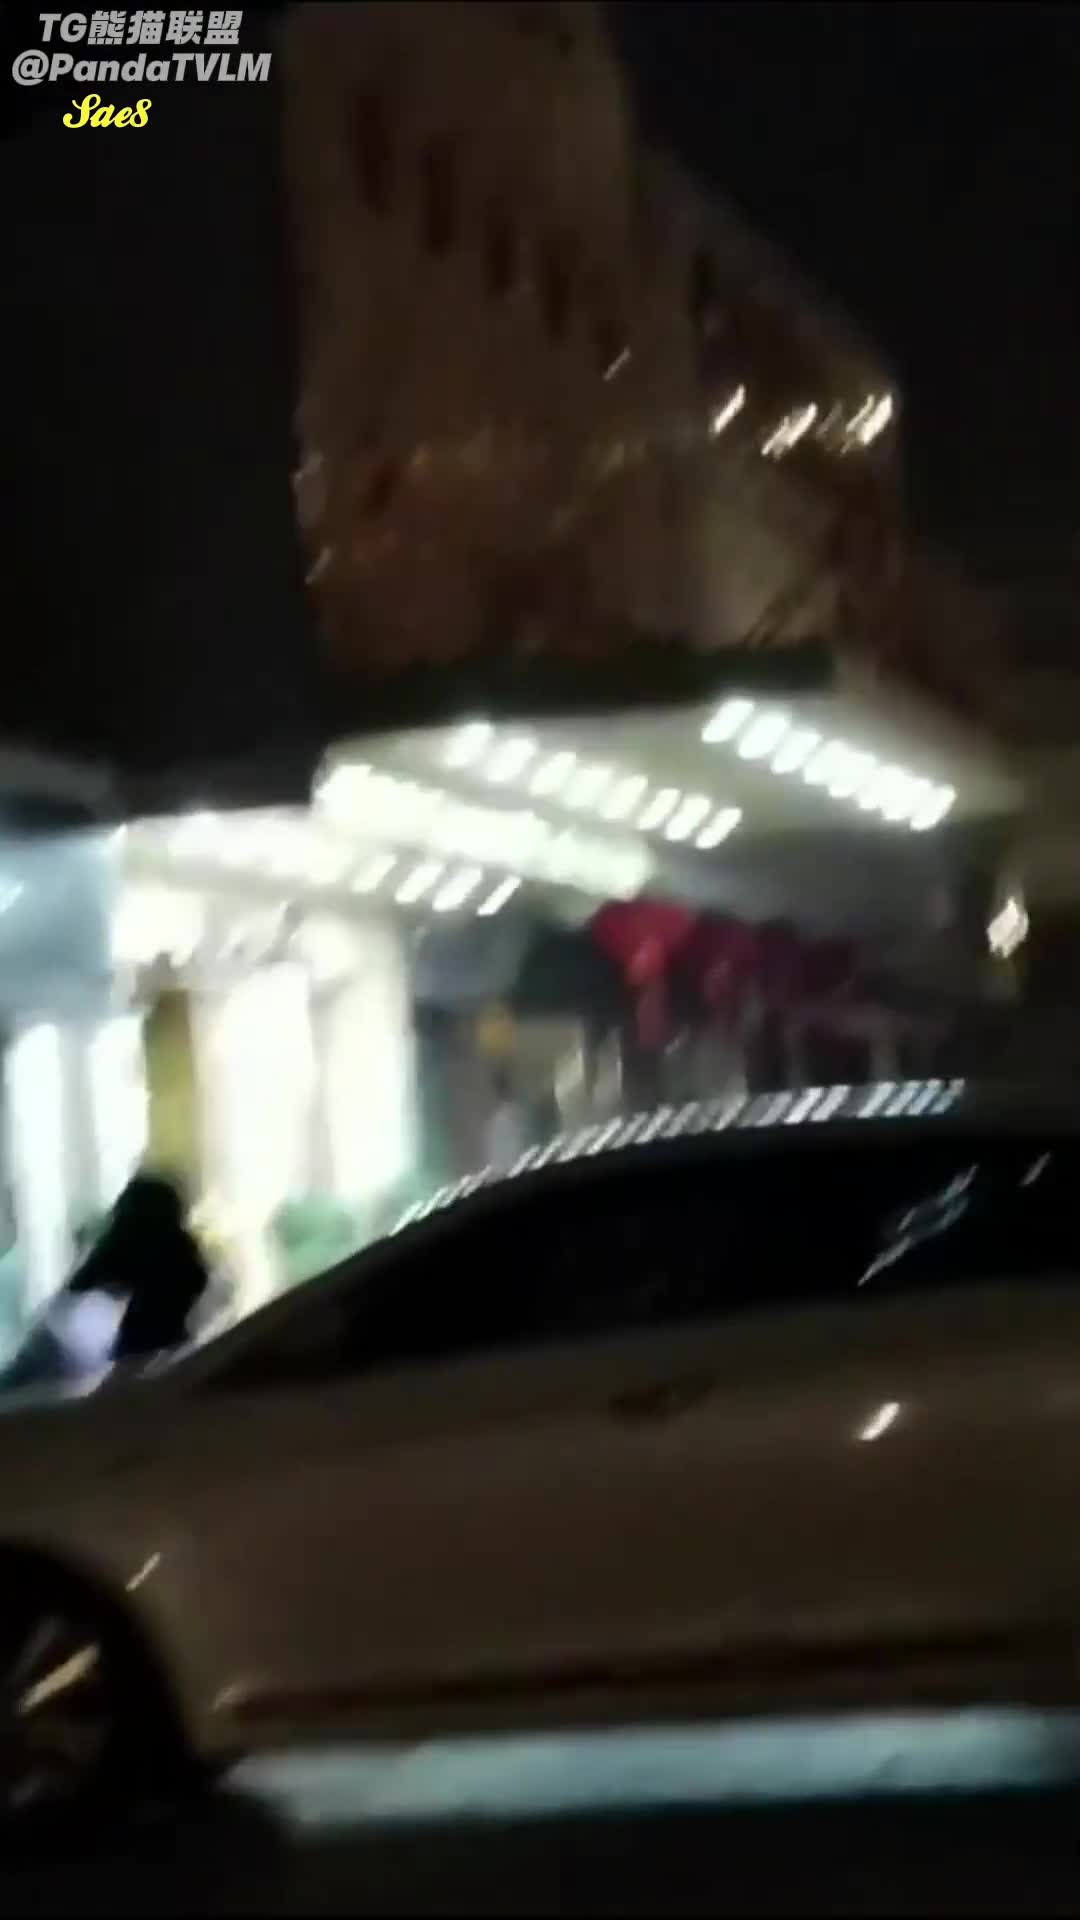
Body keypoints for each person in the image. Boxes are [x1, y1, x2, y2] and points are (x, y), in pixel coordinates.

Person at [67, 1171, 211, 1364]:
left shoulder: (131, 1245)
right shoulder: (183, 1249)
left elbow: (81, 1283)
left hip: (141, 1356)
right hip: (171, 1349)